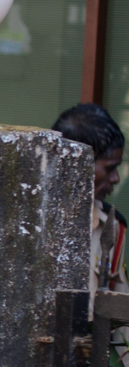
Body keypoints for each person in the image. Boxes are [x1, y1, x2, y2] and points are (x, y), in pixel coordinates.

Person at [53, 103, 125, 295]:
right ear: (77, 163)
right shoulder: (28, 222)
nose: (116, 178)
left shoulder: (112, 226)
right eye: (109, 168)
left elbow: (117, 305)